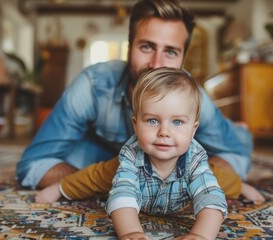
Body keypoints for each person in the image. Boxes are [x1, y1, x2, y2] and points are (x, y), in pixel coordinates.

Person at [18, 0, 264, 202]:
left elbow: (236, 157)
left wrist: (199, 178)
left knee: (237, 140)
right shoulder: (94, 85)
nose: (156, 64)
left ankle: (237, 129)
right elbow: (33, 165)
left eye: (170, 51)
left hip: (179, 149)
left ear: (182, 59)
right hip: (102, 153)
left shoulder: (192, 94)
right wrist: (102, 180)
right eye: (147, 47)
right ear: (129, 48)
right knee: (75, 154)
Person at [38, 67, 227, 240]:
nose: (164, 132)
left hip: (198, 175)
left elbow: (210, 197)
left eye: (177, 122)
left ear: (193, 130)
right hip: (125, 173)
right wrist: (131, 232)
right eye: (153, 121)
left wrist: (201, 235)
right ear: (136, 125)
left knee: (222, 180)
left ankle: (241, 185)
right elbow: (122, 194)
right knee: (95, 176)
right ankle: (59, 187)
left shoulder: (196, 160)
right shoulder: (129, 157)